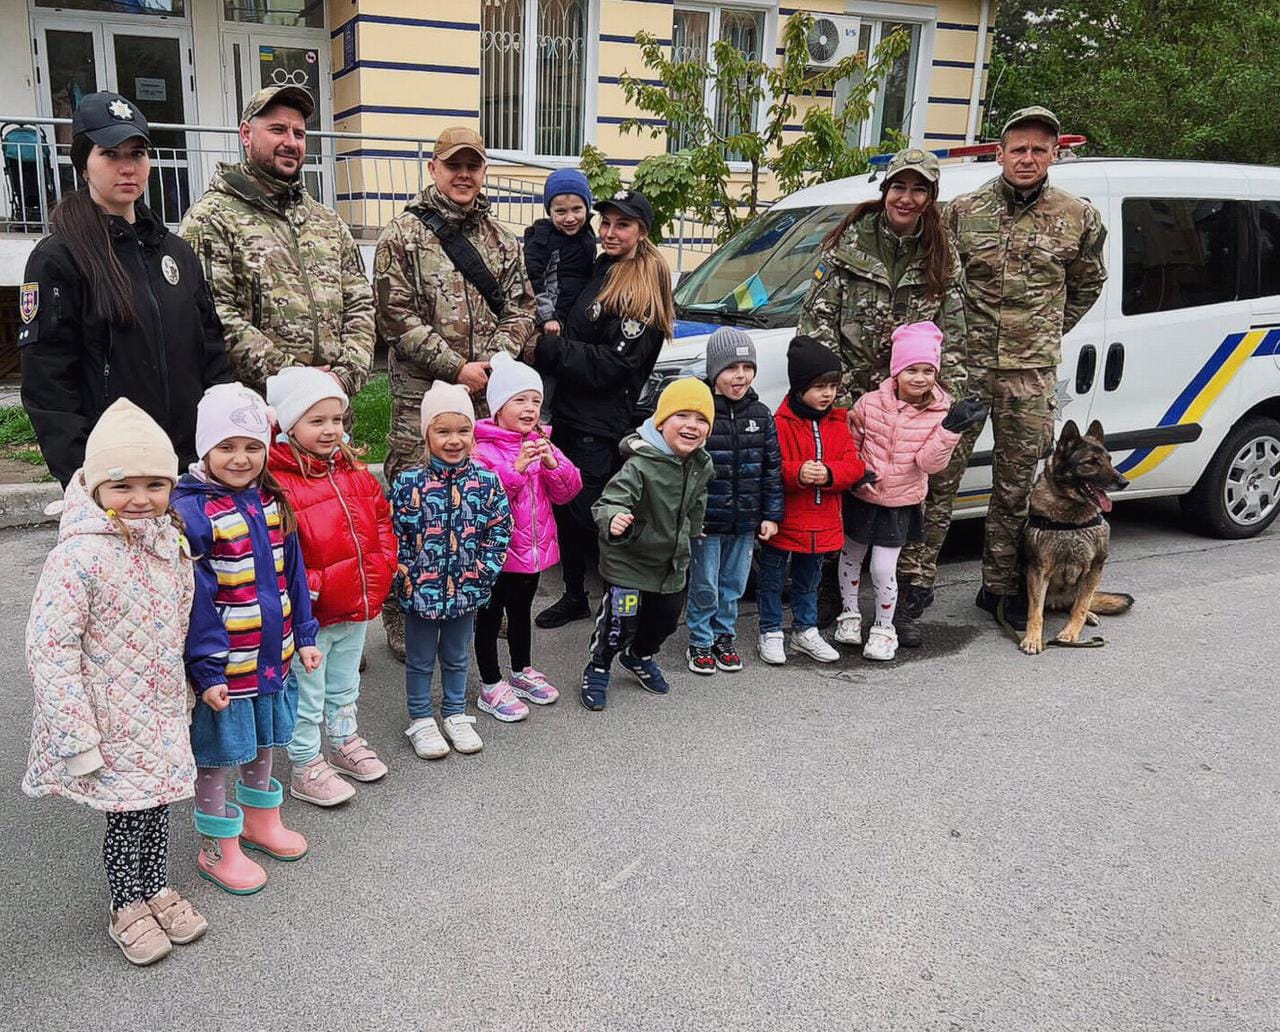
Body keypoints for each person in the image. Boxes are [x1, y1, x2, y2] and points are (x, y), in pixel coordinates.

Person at [899, 107, 1108, 630]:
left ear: (1054, 154)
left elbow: (1087, 283)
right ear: (1000, 153)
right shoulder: (963, 212)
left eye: (1040, 149)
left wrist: (1044, 329)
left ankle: (1000, 588)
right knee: (938, 479)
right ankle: (915, 584)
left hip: (1029, 374)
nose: (1028, 158)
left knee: (1015, 488)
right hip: (965, 369)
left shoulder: (1077, 216)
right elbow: (935, 279)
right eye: (1019, 149)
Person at [23, 399, 207, 967]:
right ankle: (126, 903)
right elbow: (49, 648)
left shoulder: (169, 543)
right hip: (105, 720)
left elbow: (177, 623)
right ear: (98, 485)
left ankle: (156, 888)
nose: (141, 499)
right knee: (126, 817)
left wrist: (184, 695)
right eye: (123, 485)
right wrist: (75, 736)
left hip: (157, 711)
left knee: (155, 808)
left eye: (156, 484)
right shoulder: (77, 557)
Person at [374, 125, 536, 660]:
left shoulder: (502, 240)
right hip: (422, 396)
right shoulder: (402, 235)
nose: (464, 175)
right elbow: (395, 316)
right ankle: (402, 611)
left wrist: (494, 360)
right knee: (413, 501)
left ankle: (477, 601)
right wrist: (456, 367)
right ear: (433, 169)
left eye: (473, 166)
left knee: (481, 499)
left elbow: (522, 307)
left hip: (488, 393)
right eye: (453, 166)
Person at [796, 146, 968, 647]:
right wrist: (831, 395)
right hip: (850, 400)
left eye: (919, 190)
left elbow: (955, 335)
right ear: (885, 190)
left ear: (931, 197)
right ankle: (831, 592)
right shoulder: (846, 247)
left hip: (916, 402)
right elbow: (817, 325)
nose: (907, 198)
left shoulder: (942, 252)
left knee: (923, 498)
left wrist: (936, 401)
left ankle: (909, 599)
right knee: (836, 492)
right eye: (900, 187)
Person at [19, 91, 229, 487]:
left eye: (136, 154)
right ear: (83, 163)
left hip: (189, 472)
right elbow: (48, 384)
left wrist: (219, 443)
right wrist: (84, 477)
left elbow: (212, 352)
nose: (127, 167)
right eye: (110, 154)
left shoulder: (176, 253)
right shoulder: (58, 258)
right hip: (116, 478)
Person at [173, 383, 320, 896]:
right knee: (216, 755)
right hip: (225, 667)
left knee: (263, 743)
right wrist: (207, 671)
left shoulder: (271, 500)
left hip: (272, 656)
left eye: (252, 446)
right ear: (204, 449)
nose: (241, 458)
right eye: (227, 447)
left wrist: (303, 633)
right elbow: (193, 599)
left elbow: (294, 576)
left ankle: (261, 821)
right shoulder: (192, 512)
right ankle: (218, 847)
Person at [534, 188, 674, 631]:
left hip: (598, 421)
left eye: (623, 225)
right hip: (569, 416)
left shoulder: (642, 289)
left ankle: (628, 599)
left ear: (641, 231)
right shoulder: (603, 268)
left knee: (595, 515)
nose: (610, 232)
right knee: (565, 509)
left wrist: (550, 350)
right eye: (607, 223)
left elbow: (614, 365)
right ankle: (575, 595)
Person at [179, 85, 374, 398]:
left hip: (331, 413)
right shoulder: (212, 218)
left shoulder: (326, 222)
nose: (290, 142)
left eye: (298, 133)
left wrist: (345, 375)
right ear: (246, 134)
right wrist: (293, 378)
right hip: (257, 419)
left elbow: (360, 304)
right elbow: (215, 318)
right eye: (277, 130)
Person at [265, 367, 398, 806]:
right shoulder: (278, 481)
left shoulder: (353, 470)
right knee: (307, 690)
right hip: (312, 616)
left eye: (336, 420)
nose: (330, 430)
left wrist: (380, 567)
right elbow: (277, 551)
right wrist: (313, 589)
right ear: (288, 424)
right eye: (316, 421)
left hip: (356, 602)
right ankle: (305, 762)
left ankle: (342, 741)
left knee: (344, 684)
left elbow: (380, 520)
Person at [836, 322, 984, 660]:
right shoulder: (869, 404)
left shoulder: (939, 413)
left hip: (900, 503)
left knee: (883, 568)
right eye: (912, 370)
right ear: (896, 371)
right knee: (850, 556)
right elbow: (852, 444)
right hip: (863, 497)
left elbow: (929, 464)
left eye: (928, 371)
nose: (920, 378)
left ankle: (885, 627)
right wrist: (856, 474)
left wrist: (950, 430)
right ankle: (849, 614)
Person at [391, 382, 512, 759]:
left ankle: (455, 712)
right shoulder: (408, 483)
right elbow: (391, 533)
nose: (454, 440)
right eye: (443, 431)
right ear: (426, 434)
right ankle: (421, 718)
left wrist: (483, 571)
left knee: (458, 656)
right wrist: (402, 574)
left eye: (462, 430)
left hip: (467, 588)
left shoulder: (487, 482)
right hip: (421, 592)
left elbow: (500, 528)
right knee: (420, 658)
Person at [581, 377, 715, 711]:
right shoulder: (641, 464)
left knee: (666, 620)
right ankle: (598, 666)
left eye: (701, 420)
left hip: (671, 562)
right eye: (682, 416)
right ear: (661, 422)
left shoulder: (701, 464)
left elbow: (698, 500)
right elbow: (609, 500)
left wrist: (696, 528)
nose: (692, 426)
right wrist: (614, 517)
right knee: (618, 623)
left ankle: (639, 655)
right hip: (629, 562)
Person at [471, 353, 582, 722]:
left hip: (532, 552)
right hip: (496, 555)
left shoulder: (542, 443)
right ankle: (490, 684)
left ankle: (521, 671)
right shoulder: (483, 450)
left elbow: (568, 492)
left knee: (521, 612)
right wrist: (517, 470)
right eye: (519, 400)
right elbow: (485, 500)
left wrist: (554, 464)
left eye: (535, 400)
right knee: (488, 618)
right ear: (499, 406)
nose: (530, 408)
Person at [757, 336, 866, 666]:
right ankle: (771, 630)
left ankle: (805, 630)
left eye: (833, 386)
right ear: (800, 387)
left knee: (809, 581)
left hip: (822, 523)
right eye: (820, 387)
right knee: (773, 579)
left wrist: (830, 474)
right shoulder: (780, 424)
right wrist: (797, 473)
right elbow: (769, 467)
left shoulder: (837, 423)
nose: (828, 394)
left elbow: (854, 466)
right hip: (785, 519)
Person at [685, 327, 783, 675]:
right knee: (705, 583)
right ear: (714, 371)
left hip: (745, 520)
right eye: (731, 368)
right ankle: (699, 638)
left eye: (747, 367)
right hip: (707, 522)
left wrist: (771, 514)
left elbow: (772, 469)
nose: (740, 376)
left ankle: (723, 635)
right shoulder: (701, 412)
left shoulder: (760, 415)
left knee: (734, 583)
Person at [524, 168, 598, 335]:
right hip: (553, 318)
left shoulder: (587, 234)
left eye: (577, 209)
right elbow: (532, 280)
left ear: (587, 208)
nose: (570, 218)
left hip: (579, 312)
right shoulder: (542, 240)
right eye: (561, 212)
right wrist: (547, 316)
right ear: (550, 212)